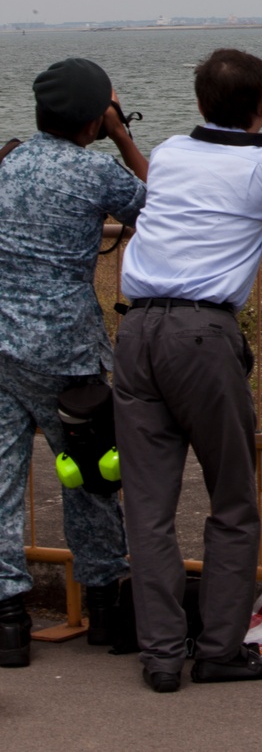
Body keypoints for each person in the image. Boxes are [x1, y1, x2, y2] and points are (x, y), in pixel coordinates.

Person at [113, 48, 262, 693]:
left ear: (200, 101)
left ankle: (159, 654)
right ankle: (218, 648)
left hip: (135, 328)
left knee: (147, 508)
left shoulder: (173, 152)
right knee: (232, 500)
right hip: (202, 336)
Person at [0, 58, 148, 668]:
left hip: (2, 342)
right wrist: (121, 135)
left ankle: (8, 616)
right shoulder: (94, 171)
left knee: (3, 478)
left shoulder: (8, 164)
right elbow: (155, 205)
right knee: (90, 477)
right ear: (95, 116)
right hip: (66, 348)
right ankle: (104, 601)